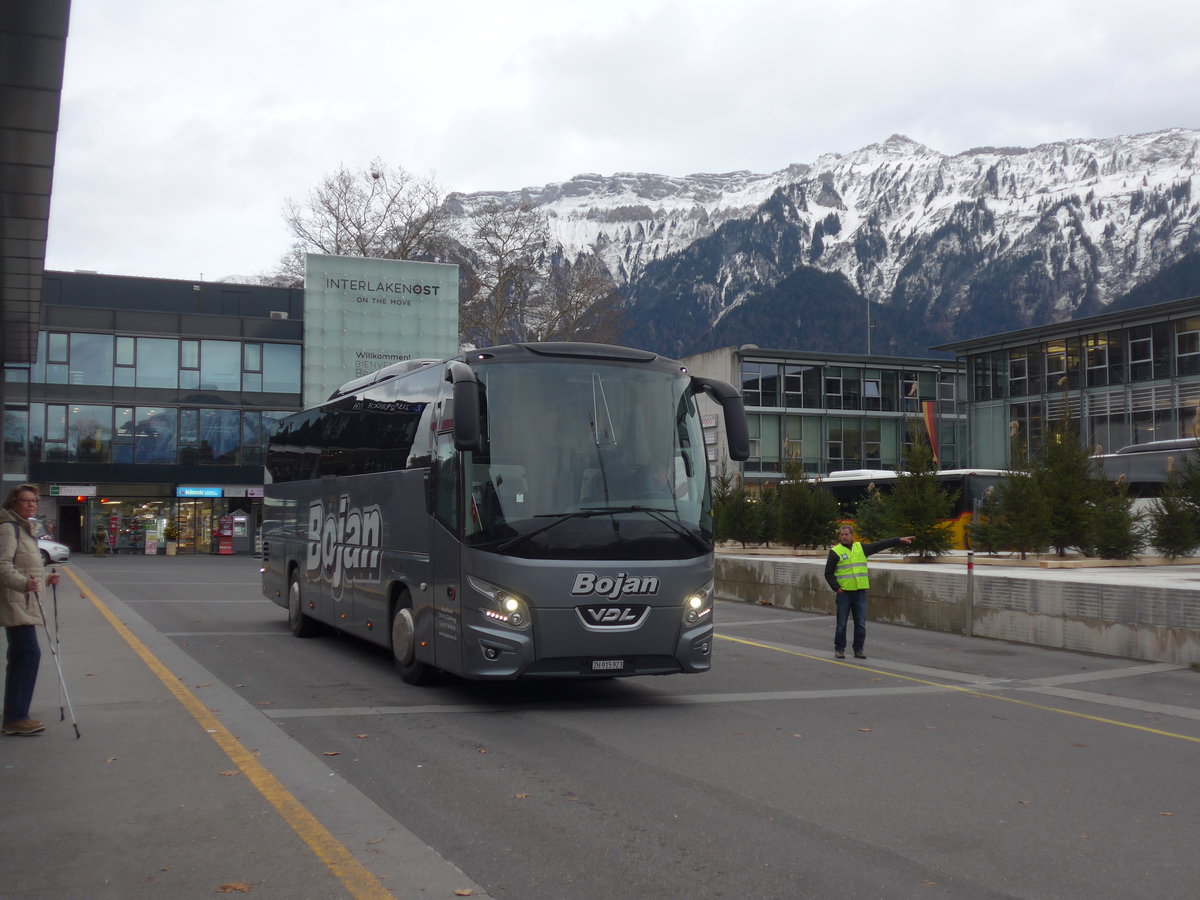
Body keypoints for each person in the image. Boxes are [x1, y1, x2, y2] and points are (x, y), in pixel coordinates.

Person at [1, 484, 61, 736]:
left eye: (34, 501)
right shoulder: (8, 528)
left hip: (23, 600)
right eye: (26, 501)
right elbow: (2, 566)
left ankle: (14, 712)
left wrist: (45, 579)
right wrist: (25, 584)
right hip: (16, 601)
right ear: (13, 502)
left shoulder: (23, 528)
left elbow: (26, 566)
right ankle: (15, 717)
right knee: (28, 655)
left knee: (21, 657)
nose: (31, 505)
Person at [824, 524, 913, 660]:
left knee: (860, 623)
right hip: (845, 593)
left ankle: (858, 650)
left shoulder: (861, 548)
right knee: (841, 624)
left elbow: (880, 545)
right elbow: (828, 573)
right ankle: (839, 649)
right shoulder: (835, 551)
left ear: (852, 535)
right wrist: (837, 588)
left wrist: (898, 540)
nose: (844, 537)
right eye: (842, 535)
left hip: (860, 592)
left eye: (846, 534)